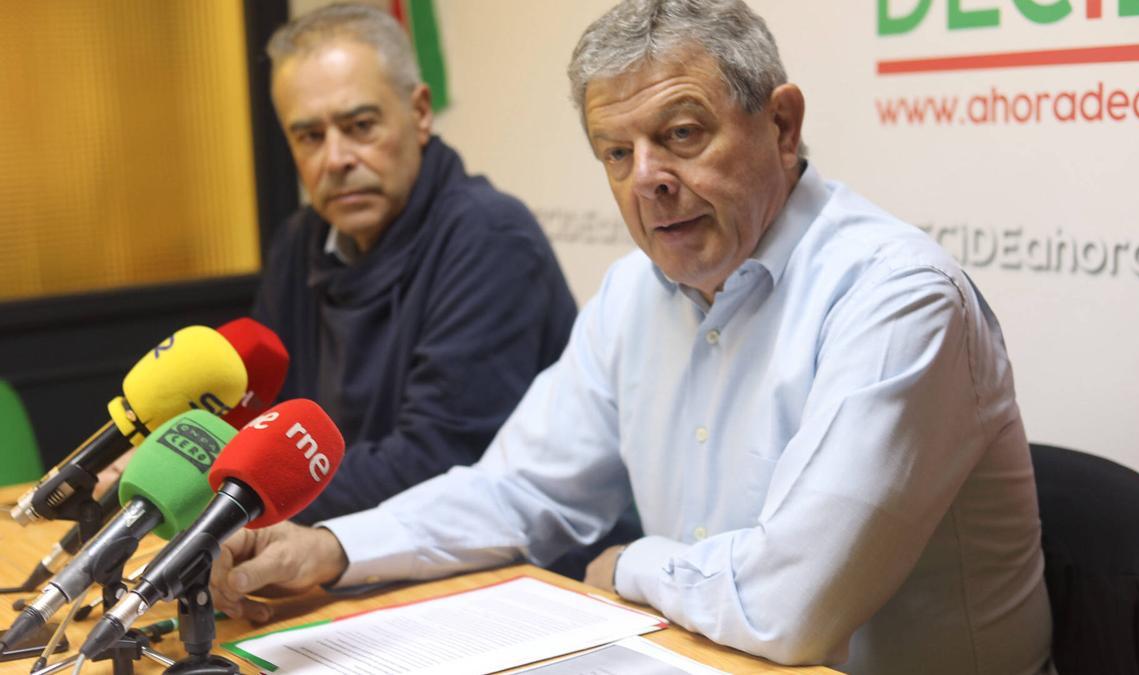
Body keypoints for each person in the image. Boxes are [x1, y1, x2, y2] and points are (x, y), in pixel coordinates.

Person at [212, 1, 1053, 672]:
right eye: (616, 152)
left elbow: (788, 607)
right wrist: (333, 546)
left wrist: (630, 566)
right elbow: (518, 489)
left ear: (782, 124)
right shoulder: (633, 292)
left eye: (681, 134)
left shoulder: (896, 295)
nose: (648, 179)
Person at [250, 4, 579, 524]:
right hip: (343, 541)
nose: (336, 159)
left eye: (360, 126)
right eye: (309, 136)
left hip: (502, 556)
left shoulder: (490, 237)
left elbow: (436, 461)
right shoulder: (298, 242)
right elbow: (263, 420)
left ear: (420, 113)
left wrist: (241, 494)